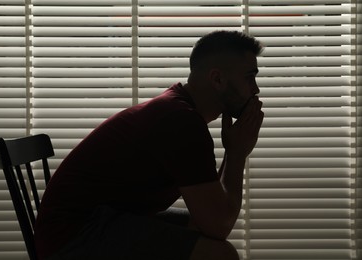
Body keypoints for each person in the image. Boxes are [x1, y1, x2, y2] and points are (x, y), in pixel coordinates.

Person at [34, 30, 264, 260]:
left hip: (99, 221)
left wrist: (234, 150)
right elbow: (218, 225)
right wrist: (237, 153)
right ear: (217, 79)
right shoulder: (181, 122)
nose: (255, 89)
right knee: (220, 255)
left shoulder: (178, 110)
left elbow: (213, 216)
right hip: (72, 237)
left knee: (201, 230)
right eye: (249, 77)